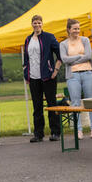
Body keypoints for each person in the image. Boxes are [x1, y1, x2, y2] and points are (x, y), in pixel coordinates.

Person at [22, 15, 63, 143]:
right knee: (37, 106)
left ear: (42, 24)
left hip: (48, 76)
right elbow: (26, 59)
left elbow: (60, 54)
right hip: (33, 77)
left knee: (52, 104)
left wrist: (55, 70)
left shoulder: (49, 37)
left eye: (39, 23)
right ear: (32, 24)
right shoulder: (28, 39)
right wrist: (26, 74)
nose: (37, 25)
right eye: (35, 23)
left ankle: (55, 132)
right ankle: (38, 134)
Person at [59, 18, 92, 138]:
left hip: (87, 73)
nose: (77, 30)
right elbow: (64, 59)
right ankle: (78, 130)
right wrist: (79, 56)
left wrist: (73, 59)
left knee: (91, 101)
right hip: (73, 75)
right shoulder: (63, 44)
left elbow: (88, 55)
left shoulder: (85, 40)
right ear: (69, 30)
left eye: (78, 28)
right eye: (75, 28)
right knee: (75, 102)